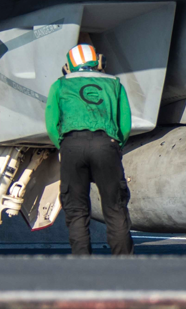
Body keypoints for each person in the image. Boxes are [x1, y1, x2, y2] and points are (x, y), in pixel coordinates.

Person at [45, 43, 134, 255]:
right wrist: (114, 146)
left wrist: (64, 146)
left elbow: (51, 124)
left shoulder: (59, 85)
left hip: (72, 145)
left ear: (69, 65)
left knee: (76, 210)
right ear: (98, 62)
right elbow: (125, 124)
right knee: (115, 208)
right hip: (106, 144)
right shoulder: (115, 83)